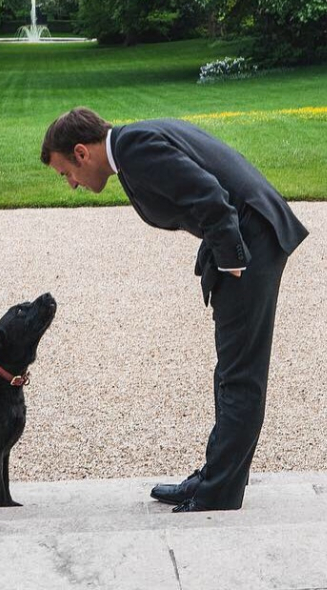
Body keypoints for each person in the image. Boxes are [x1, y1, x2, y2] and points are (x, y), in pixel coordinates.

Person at [40, 107, 308, 512]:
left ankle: (220, 492)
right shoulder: (134, 144)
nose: (72, 184)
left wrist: (233, 261)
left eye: (66, 173)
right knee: (230, 370)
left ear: (81, 152)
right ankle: (216, 475)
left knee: (240, 374)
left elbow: (211, 197)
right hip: (249, 236)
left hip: (251, 241)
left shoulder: (135, 149)